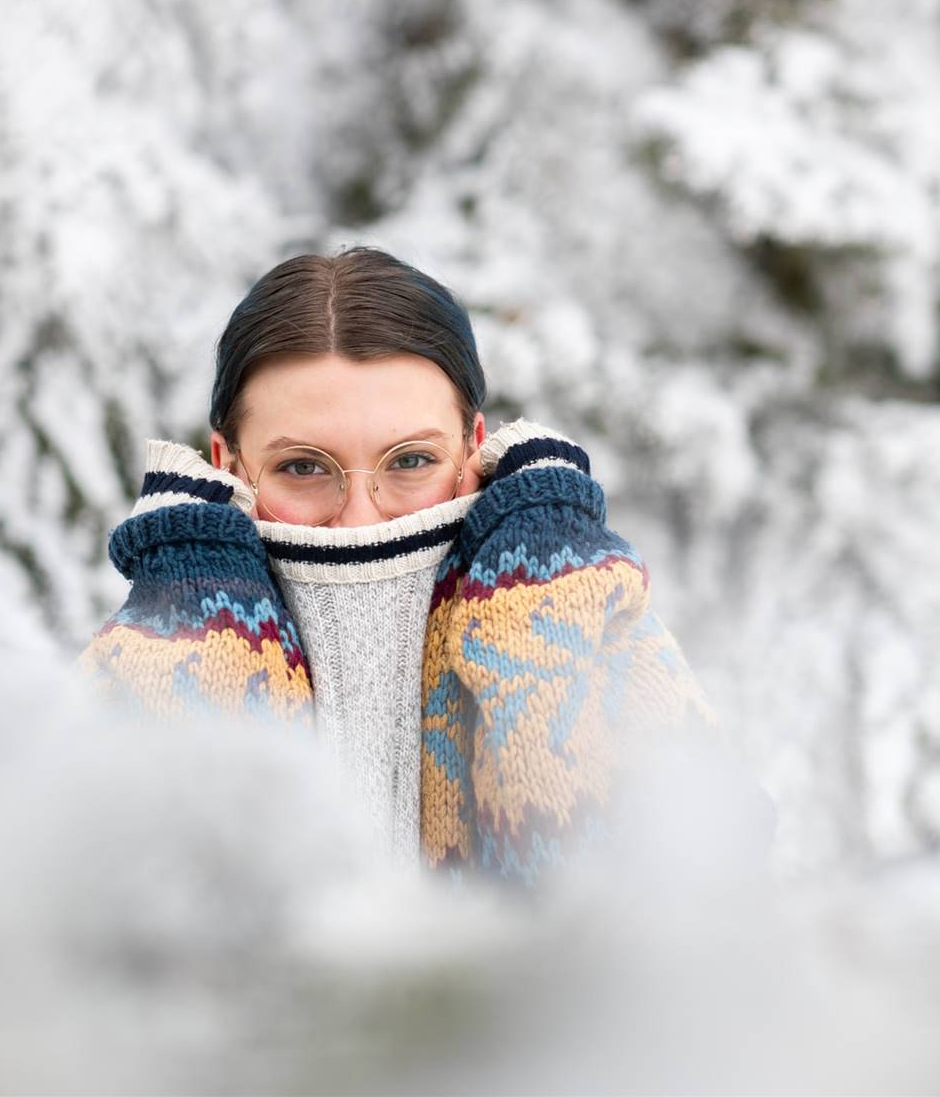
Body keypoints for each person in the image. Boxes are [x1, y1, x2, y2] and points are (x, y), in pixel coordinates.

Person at [77, 246, 715, 883]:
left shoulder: (598, 629)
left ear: (472, 448)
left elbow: (720, 907)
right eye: (303, 468)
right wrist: (190, 646)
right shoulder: (129, 675)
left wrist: (544, 643)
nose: (360, 521)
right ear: (228, 464)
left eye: (410, 462)